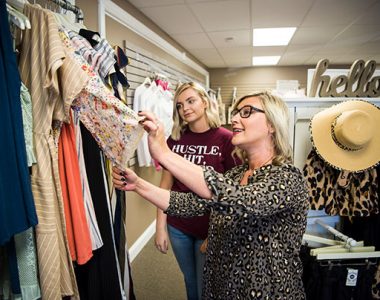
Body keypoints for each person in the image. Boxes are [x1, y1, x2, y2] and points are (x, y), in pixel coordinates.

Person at [113, 91, 309, 299]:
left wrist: (164, 154)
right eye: (235, 113)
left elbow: (240, 200)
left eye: (246, 112)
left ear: (272, 124)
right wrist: (139, 185)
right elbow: (190, 203)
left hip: (266, 290)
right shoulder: (236, 174)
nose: (234, 119)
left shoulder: (288, 177)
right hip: (221, 284)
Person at [155, 82, 239, 300]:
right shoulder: (174, 140)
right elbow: (166, 186)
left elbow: (233, 193)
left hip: (209, 227)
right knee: (190, 280)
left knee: (206, 284)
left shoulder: (226, 139)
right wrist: (160, 227)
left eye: (191, 101)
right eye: (180, 105)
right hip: (178, 226)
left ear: (204, 102)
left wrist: (217, 234)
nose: (185, 109)